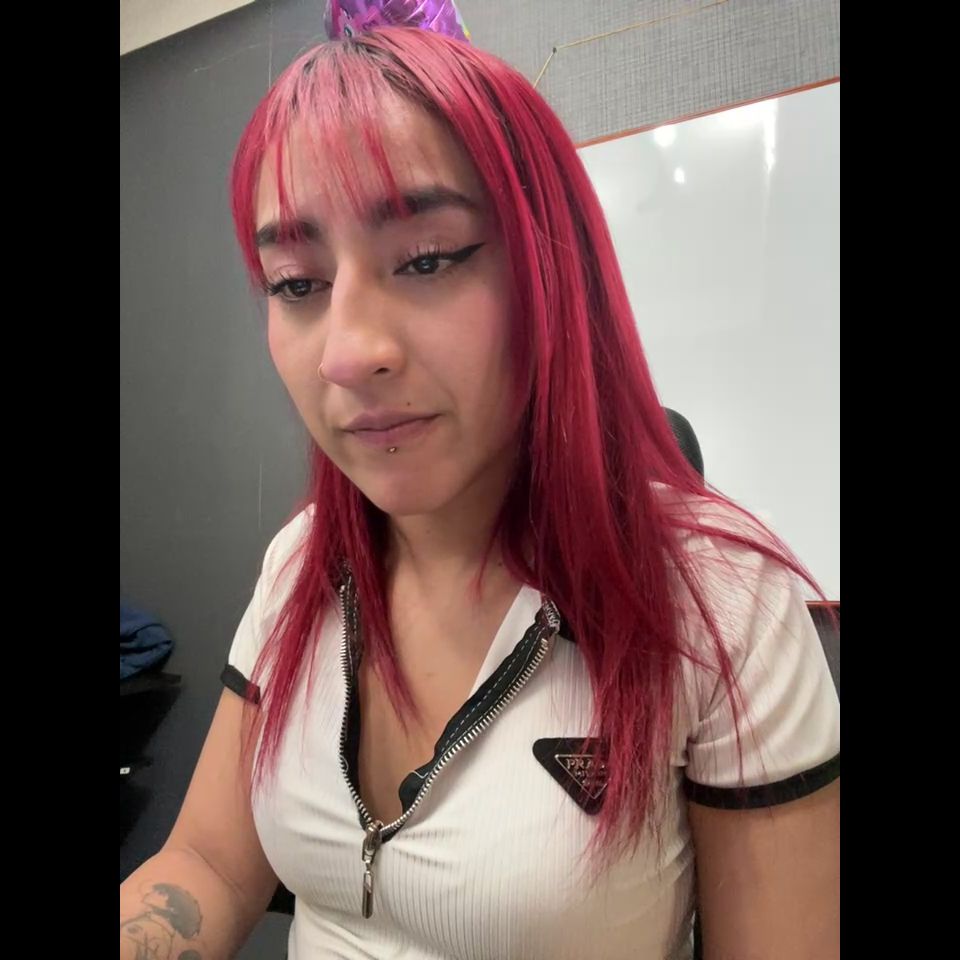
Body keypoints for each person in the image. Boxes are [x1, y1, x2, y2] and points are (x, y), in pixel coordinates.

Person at [120, 11, 840, 960]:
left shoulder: (723, 603)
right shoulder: (299, 565)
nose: (347, 354)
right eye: (296, 282)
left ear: (552, 274)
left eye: (426, 259)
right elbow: (209, 865)